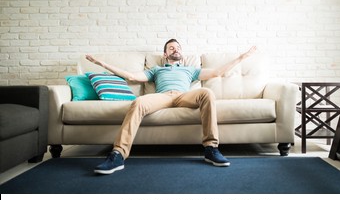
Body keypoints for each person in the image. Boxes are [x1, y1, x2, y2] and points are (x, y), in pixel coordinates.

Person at [86, 39, 257, 174]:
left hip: (184, 96)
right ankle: (118, 154)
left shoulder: (190, 69)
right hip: (162, 96)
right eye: (171, 48)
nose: (176, 50)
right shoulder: (156, 69)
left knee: (207, 94)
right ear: (165, 54)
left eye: (178, 48)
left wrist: (242, 57)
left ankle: (211, 148)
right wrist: (102, 64)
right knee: (138, 102)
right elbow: (131, 76)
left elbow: (216, 73)